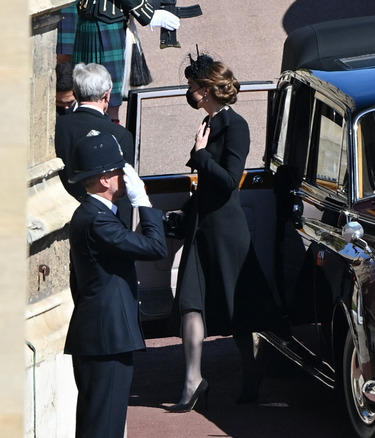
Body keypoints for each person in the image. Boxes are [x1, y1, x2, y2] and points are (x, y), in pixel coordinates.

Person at [167, 53, 274, 411]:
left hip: (227, 229)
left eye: (192, 87)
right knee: (190, 303)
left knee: (237, 308)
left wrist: (200, 155)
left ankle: (252, 372)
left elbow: (229, 180)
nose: (189, 92)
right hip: (201, 225)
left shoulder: (235, 125)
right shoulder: (208, 122)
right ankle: (193, 380)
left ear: (206, 90)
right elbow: (206, 184)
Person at [64, 130, 167, 438]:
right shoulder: (97, 220)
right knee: (103, 427)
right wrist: (143, 202)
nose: (126, 178)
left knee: (98, 423)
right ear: (105, 179)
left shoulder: (94, 214)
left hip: (100, 336)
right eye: (121, 171)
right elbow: (155, 248)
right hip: (106, 338)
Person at [55, 62, 135, 228]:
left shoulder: (56, 127)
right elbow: (124, 193)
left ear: (76, 94)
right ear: (107, 95)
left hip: (63, 218)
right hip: (104, 225)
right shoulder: (120, 135)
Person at [73, 0, 180, 122]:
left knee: (99, 98)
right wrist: (147, 13)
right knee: (105, 100)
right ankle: (108, 137)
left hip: (100, 17)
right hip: (105, 20)